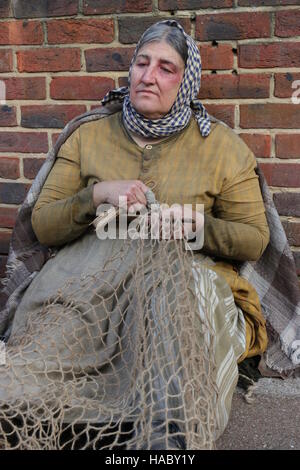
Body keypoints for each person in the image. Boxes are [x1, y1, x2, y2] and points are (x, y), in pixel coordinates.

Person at [0, 20, 270, 450]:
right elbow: (44, 225)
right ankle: (35, 407)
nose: (148, 76)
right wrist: (98, 194)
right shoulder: (89, 135)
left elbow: (254, 239)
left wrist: (197, 226)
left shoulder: (221, 148)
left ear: (186, 81)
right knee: (56, 340)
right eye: (142, 63)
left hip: (183, 276)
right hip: (90, 277)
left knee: (169, 310)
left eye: (166, 68)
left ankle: (167, 430)